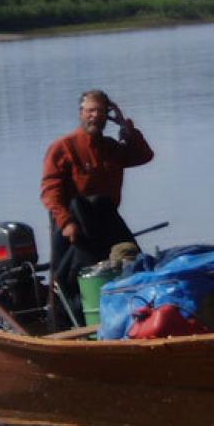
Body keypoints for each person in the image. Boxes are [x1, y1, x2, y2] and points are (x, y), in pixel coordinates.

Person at [41, 90, 154, 325]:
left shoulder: (111, 147)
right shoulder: (63, 147)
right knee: (73, 281)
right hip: (74, 226)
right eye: (90, 110)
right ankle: (72, 326)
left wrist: (125, 125)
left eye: (101, 111)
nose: (95, 116)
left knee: (130, 262)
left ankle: (132, 319)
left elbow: (144, 155)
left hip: (107, 220)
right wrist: (66, 222)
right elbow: (50, 191)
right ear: (81, 113)